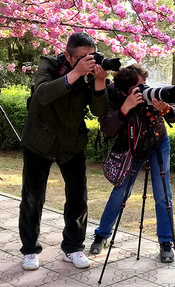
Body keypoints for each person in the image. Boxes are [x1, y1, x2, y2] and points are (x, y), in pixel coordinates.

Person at [19, 32, 109, 271]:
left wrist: (99, 83)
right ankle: (29, 250)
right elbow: (43, 94)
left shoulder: (92, 74)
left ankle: (73, 247)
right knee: (32, 198)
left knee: (78, 199)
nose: (88, 61)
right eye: (81, 57)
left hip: (72, 144)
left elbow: (101, 112)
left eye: (92, 56)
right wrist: (76, 73)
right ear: (68, 55)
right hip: (39, 142)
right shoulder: (48, 64)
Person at [90, 64, 175, 263]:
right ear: (124, 90)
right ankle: (102, 235)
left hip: (158, 142)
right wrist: (127, 107)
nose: (144, 90)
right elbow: (108, 128)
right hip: (130, 146)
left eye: (145, 84)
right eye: (138, 87)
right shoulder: (114, 97)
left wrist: (165, 109)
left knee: (162, 194)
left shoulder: (151, 95)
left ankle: (166, 242)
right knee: (120, 192)